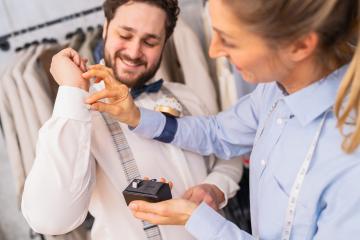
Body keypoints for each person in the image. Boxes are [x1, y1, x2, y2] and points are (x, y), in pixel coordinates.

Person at [79, 0, 360, 239]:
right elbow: (219, 133)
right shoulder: (272, 92)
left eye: (230, 39)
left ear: (299, 46)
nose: (213, 51)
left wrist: (198, 220)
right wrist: (137, 117)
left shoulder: (349, 163)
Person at [21, 1, 243, 239]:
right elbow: (50, 219)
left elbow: (227, 152)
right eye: (125, 35)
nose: (134, 52)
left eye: (150, 41)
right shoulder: (77, 113)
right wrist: (73, 90)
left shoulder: (186, 95)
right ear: (106, 27)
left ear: (165, 42)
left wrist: (216, 186)